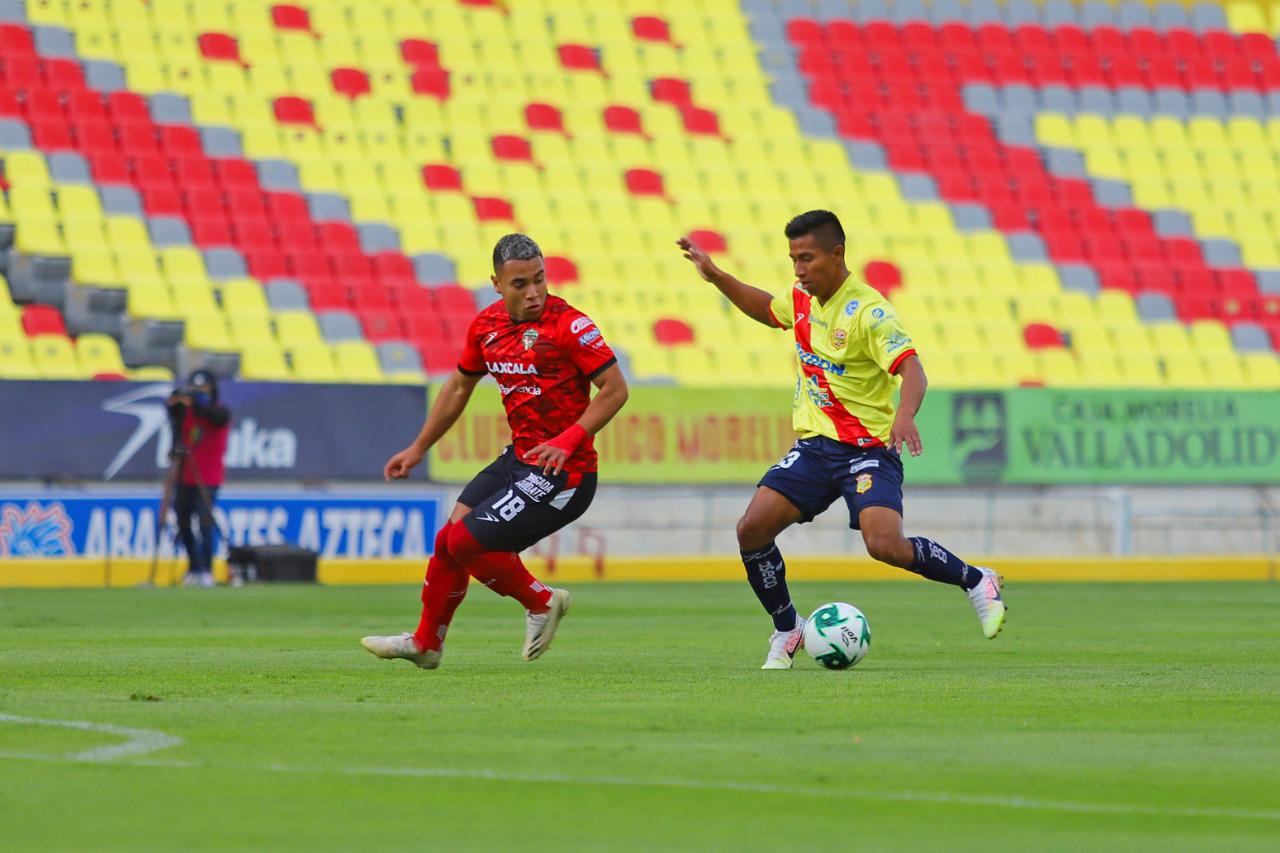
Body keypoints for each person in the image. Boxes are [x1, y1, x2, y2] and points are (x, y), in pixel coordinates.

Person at [677, 210, 1006, 670]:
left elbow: (913, 368)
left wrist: (905, 414)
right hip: (815, 448)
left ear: (837, 254)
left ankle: (976, 581)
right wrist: (715, 277)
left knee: (884, 545)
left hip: (867, 451)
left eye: (807, 258)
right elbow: (767, 309)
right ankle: (788, 628)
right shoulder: (801, 299)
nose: (799, 270)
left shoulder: (870, 313)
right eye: (793, 259)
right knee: (751, 530)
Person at [362, 234, 629, 669]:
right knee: (447, 543)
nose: (535, 293)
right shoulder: (486, 327)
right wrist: (417, 447)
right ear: (497, 284)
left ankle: (541, 602)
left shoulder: (570, 325)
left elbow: (615, 390)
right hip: (519, 461)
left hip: (566, 474)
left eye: (540, 280)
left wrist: (568, 438)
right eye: (521, 283)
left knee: (464, 542)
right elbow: (458, 387)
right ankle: (426, 644)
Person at [165, 369, 231, 587]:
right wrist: (174, 406)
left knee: (204, 522)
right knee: (183, 522)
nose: (197, 394)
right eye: (194, 389)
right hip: (184, 476)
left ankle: (207, 570)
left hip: (208, 477)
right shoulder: (187, 414)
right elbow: (175, 428)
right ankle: (193, 567)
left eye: (203, 389)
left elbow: (214, 417)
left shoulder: (220, 412)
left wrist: (193, 400)